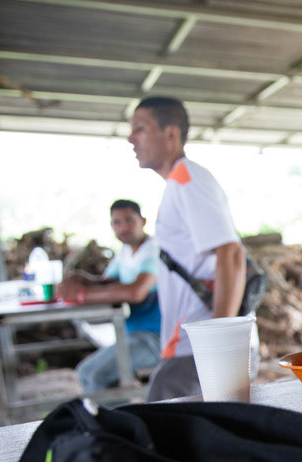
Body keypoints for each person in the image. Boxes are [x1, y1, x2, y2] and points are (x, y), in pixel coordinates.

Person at [127, 96, 252, 401]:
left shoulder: (188, 178)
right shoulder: (178, 183)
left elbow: (231, 254)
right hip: (190, 347)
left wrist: (217, 344)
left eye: (140, 129)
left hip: (200, 348)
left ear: (171, 134)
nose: (131, 138)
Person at [57, 199, 162, 393]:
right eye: (116, 222)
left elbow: (135, 292)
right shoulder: (126, 252)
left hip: (156, 338)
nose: (123, 227)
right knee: (88, 374)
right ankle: (116, 419)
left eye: (129, 220)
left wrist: (81, 294)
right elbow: (107, 282)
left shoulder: (153, 250)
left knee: (95, 376)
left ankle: (116, 422)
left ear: (143, 221)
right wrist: (82, 279)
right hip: (133, 335)